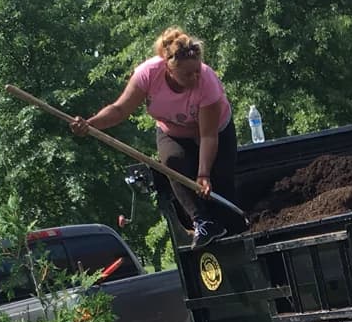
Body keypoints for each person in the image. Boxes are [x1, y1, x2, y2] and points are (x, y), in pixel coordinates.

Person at [72, 28, 247, 248]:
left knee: (219, 182)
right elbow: (119, 110)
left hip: (216, 130)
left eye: (197, 71)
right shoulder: (148, 74)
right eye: (187, 74)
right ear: (169, 69)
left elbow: (208, 136)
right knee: (172, 162)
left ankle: (236, 232)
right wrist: (90, 124)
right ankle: (202, 222)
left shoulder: (207, 81)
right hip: (173, 132)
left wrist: (203, 173)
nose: (195, 77)